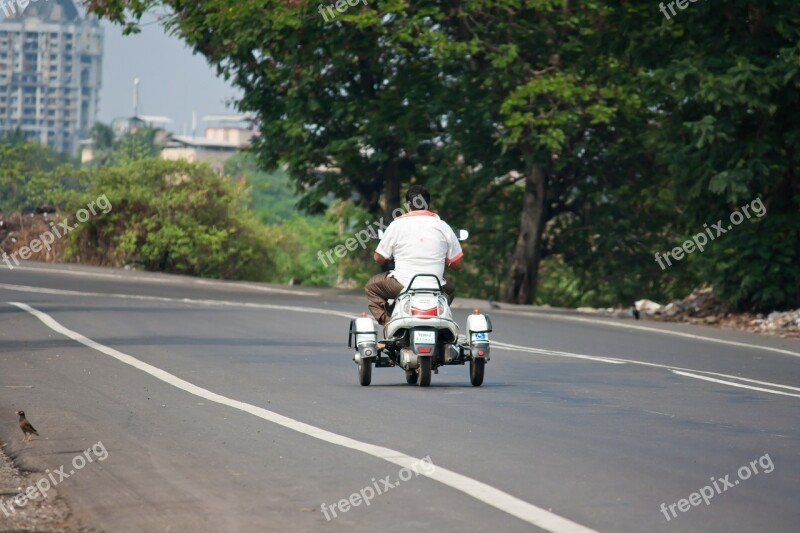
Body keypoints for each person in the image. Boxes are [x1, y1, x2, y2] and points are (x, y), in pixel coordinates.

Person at [365, 185, 464, 325]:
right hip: (436, 286)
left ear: (407, 205)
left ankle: (389, 324)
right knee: (450, 290)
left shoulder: (396, 225)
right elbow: (458, 265)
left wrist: (388, 256)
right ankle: (438, 318)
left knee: (371, 287)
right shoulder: (443, 226)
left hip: (402, 284)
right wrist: (447, 260)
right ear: (428, 204)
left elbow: (378, 258)